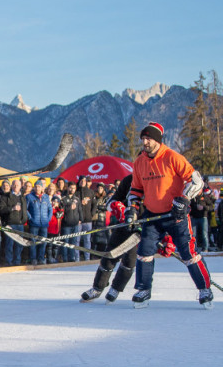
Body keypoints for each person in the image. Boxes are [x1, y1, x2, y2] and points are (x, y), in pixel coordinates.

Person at [126, 122, 212, 308]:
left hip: (175, 215)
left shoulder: (172, 157)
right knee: (144, 253)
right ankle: (143, 289)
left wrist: (184, 199)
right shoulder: (139, 162)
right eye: (143, 139)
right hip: (152, 215)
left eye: (149, 138)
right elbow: (136, 189)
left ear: (157, 140)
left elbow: (196, 181)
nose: (145, 142)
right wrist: (132, 207)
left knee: (189, 253)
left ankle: (204, 289)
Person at [80, 174, 138, 303]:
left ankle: (116, 288)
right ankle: (97, 288)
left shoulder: (156, 180)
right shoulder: (129, 180)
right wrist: (116, 207)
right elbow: (113, 200)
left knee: (129, 261)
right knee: (109, 256)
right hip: (124, 224)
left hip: (139, 229)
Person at [25, 179, 52, 265]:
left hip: (44, 223)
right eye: (36, 186)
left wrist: (48, 219)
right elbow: (25, 209)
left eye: (39, 186)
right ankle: (33, 258)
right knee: (33, 242)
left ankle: (41, 258)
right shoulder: (29, 197)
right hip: (34, 223)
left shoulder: (46, 197)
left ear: (42, 188)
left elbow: (50, 209)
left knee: (43, 242)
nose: (37, 188)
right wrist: (30, 218)